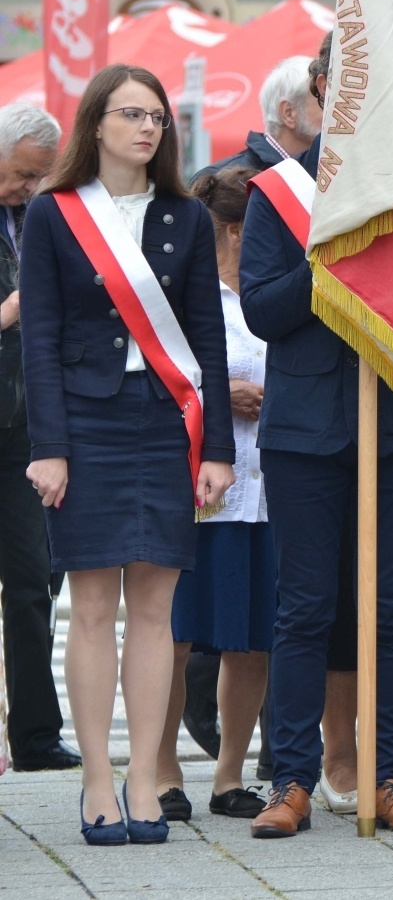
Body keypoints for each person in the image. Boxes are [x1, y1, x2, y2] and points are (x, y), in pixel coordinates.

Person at [239, 68, 393, 839]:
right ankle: (293, 779)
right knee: (304, 608)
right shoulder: (278, 193)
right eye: (343, 90)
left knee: (392, 610)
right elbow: (264, 309)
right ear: (320, 96)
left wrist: (389, 248)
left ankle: (389, 775)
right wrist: (336, 256)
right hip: (304, 430)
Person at [21, 64, 235, 843]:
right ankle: (98, 780)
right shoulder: (54, 215)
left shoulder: (185, 213)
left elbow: (207, 337)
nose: (148, 129)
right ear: (96, 124)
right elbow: (38, 339)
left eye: (158, 118)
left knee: (156, 611)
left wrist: (217, 447)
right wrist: (50, 448)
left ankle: (147, 776)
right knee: (92, 611)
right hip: (83, 426)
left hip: (164, 423)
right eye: (132, 115)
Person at [153, 166, 273, 823]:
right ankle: (163, 767)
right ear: (234, 230)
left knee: (251, 638)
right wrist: (220, 396)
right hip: (201, 485)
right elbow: (159, 375)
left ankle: (230, 773)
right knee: (174, 635)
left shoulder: (270, 294)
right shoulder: (186, 295)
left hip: (267, 488)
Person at [0, 103, 80, 774]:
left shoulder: (41, 218)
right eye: (23, 173)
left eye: (37, 177)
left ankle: (34, 733)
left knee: (34, 582)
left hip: (28, 425)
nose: (28, 188)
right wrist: (13, 309)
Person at [199, 55, 320, 176]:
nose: (334, 113)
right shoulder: (220, 180)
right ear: (288, 113)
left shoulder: (325, 174)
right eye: (323, 101)